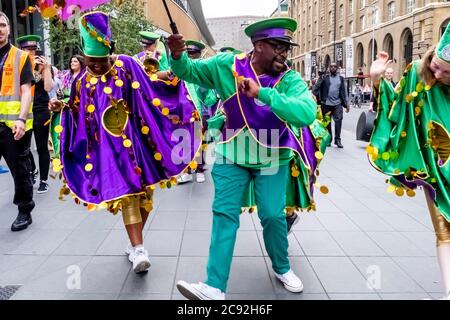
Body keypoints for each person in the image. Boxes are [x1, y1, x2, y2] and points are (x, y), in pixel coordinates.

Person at [169, 17, 317, 300]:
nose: (284, 53)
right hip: (230, 154)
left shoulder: (289, 78)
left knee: (273, 217)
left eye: (286, 47)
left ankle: (282, 267)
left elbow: (306, 112)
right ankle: (214, 286)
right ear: (258, 46)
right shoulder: (225, 64)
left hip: (272, 155)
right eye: (278, 47)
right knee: (224, 215)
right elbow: (189, 71)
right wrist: (176, 55)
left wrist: (263, 93)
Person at [49, 12, 200, 273]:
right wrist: (59, 106)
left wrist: (171, 77)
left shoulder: (127, 65)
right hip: (107, 149)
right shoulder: (81, 80)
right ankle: (139, 248)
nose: (95, 66)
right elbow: (75, 110)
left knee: (145, 194)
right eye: (90, 61)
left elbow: (150, 88)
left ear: (111, 50)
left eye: (101, 60)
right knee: (129, 192)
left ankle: (134, 243)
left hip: (139, 143)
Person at [368, 23, 450, 300]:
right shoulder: (419, 71)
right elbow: (396, 106)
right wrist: (377, 80)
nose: (436, 73)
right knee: (444, 231)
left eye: (445, 71)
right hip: (435, 171)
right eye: (435, 64)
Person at [0, 11, 35, 231]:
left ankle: (24, 210)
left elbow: (26, 91)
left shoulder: (21, 56)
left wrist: (21, 118)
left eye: (2, 25)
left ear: (9, 29)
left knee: (20, 171)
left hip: (14, 125)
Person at [177, 40, 219, 184]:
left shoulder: (202, 72)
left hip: (201, 113)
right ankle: (188, 170)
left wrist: (205, 90)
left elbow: (210, 98)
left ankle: (200, 169)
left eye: (193, 54)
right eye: (188, 54)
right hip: (183, 112)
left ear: (199, 55)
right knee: (185, 141)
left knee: (200, 141)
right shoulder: (180, 71)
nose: (190, 57)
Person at [17, 35, 53, 194]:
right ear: (22, 50)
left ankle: (44, 180)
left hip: (40, 109)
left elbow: (48, 88)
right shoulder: (18, 64)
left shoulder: (43, 65)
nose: (31, 52)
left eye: (33, 49)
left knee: (41, 146)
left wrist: (46, 69)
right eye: (27, 49)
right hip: (23, 109)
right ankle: (32, 170)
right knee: (22, 146)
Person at [313, 62, 349, 148]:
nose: (333, 68)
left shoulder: (341, 78)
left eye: (334, 66)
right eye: (331, 66)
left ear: (337, 68)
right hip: (326, 104)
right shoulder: (324, 77)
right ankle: (329, 140)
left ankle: (338, 140)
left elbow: (344, 92)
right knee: (327, 122)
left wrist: (347, 104)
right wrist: (313, 95)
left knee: (338, 121)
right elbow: (316, 88)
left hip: (338, 103)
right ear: (329, 68)